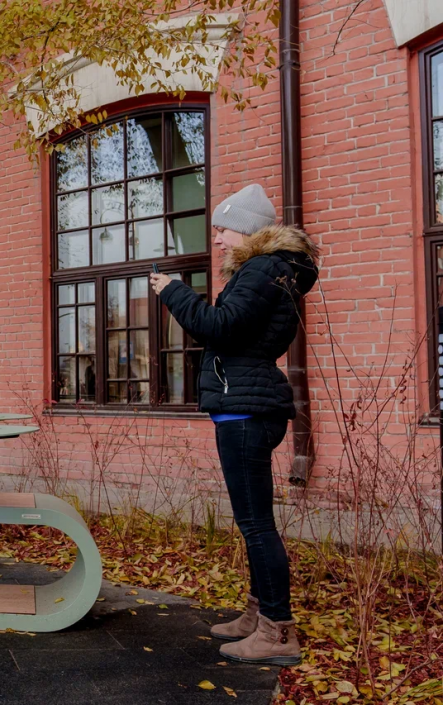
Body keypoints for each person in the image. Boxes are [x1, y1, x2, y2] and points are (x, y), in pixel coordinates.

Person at [149, 184, 318, 666]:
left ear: (247, 230)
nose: (218, 239)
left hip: (247, 412)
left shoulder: (264, 270)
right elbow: (233, 328)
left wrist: (174, 291)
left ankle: (277, 632)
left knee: (256, 525)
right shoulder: (267, 272)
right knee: (253, 524)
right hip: (245, 406)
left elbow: (218, 326)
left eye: (223, 229)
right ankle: (259, 614)